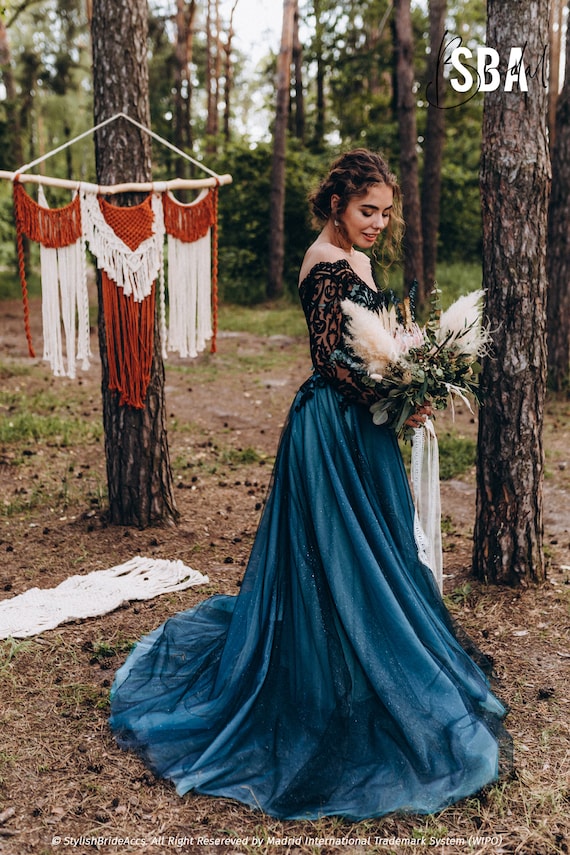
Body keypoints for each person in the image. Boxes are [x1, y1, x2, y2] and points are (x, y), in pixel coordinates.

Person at [109, 149, 510, 821]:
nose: (378, 223)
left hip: (362, 426)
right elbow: (332, 359)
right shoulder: (327, 262)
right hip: (334, 429)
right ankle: (335, 684)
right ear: (336, 205)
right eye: (366, 210)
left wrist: (409, 377)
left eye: (385, 212)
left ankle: (363, 666)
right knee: (340, 557)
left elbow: (371, 342)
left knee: (374, 552)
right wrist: (402, 385)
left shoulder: (354, 255)